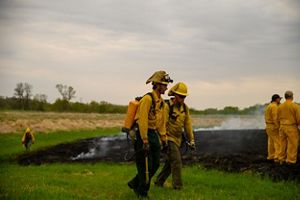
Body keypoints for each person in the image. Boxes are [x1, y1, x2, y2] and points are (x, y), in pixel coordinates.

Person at [128, 70, 173, 198]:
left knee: (156, 164)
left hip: (153, 134)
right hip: (143, 134)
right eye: (164, 85)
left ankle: (134, 183)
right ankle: (142, 192)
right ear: (158, 85)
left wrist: (164, 139)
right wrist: (144, 139)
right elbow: (142, 120)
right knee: (145, 165)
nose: (166, 87)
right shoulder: (147, 99)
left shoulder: (161, 103)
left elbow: (161, 123)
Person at [155, 82, 195, 190]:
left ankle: (159, 182)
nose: (182, 99)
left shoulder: (185, 108)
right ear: (175, 95)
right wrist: (163, 140)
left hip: (178, 139)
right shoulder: (167, 106)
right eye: (181, 96)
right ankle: (178, 187)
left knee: (170, 162)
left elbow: (188, 124)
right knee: (177, 161)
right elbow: (162, 124)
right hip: (169, 138)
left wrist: (191, 140)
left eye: (184, 97)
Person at [277, 91, 300, 164]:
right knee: (293, 144)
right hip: (291, 127)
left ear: (285, 96)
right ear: (291, 96)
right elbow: (299, 118)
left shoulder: (280, 106)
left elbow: (277, 118)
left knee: (282, 143)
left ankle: (281, 159)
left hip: (282, 127)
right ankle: (290, 160)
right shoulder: (295, 106)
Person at [264, 94, 282, 162]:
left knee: (271, 142)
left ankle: (271, 156)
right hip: (273, 126)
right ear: (277, 99)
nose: (280, 100)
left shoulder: (269, 106)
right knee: (278, 142)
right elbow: (275, 118)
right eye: (279, 99)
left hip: (268, 126)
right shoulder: (274, 106)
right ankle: (277, 157)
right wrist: (278, 126)